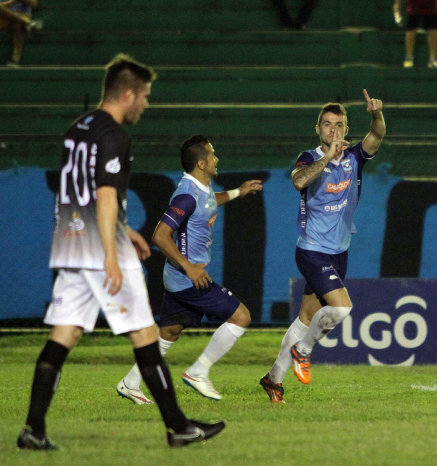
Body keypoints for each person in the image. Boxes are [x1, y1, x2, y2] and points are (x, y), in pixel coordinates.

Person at [17, 54, 225, 450]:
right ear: (128, 94)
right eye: (144, 96)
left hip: (71, 240)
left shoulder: (77, 129)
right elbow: (105, 192)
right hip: (100, 247)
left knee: (65, 333)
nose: (146, 104)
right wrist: (112, 252)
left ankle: (33, 429)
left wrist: (125, 228)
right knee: (146, 334)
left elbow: (79, 191)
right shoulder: (114, 134)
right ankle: (179, 427)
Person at [260, 90, 386, 403]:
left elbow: (378, 134)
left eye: (339, 124)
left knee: (305, 317)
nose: (333, 129)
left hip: (339, 252)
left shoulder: (355, 157)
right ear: (318, 129)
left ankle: (273, 380)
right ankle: (303, 351)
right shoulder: (308, 157)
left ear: (346, 129)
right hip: (312, 251)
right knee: (342, 308)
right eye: (327, 124)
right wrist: (326, 157)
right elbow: (299, 181)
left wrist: (376, 114)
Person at [116, 135, 262, 403]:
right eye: (213, 155)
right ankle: (199, 371)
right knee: (241, 316)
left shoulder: (201, 188)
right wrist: (189, 268)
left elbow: (209, 202)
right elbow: (160, 235)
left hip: (177, 279)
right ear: (202, 163)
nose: (217, 159)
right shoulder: (185, 195)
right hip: (187, 280)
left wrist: (238, 192)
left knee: (170, 332)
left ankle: (130, 383)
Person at [393, 0, 437, 68]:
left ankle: (433, 59)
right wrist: (397, 13)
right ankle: (409, 58)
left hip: (430, 6)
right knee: (411, 30)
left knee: (432, 30)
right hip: (413, 6)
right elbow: (397, 2)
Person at [0, 0, 42, 67]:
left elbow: (34, 4)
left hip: (22, 15)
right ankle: (28, 23)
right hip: (5, 17)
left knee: (17, 24)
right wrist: (10, 2)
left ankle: (15, 60)